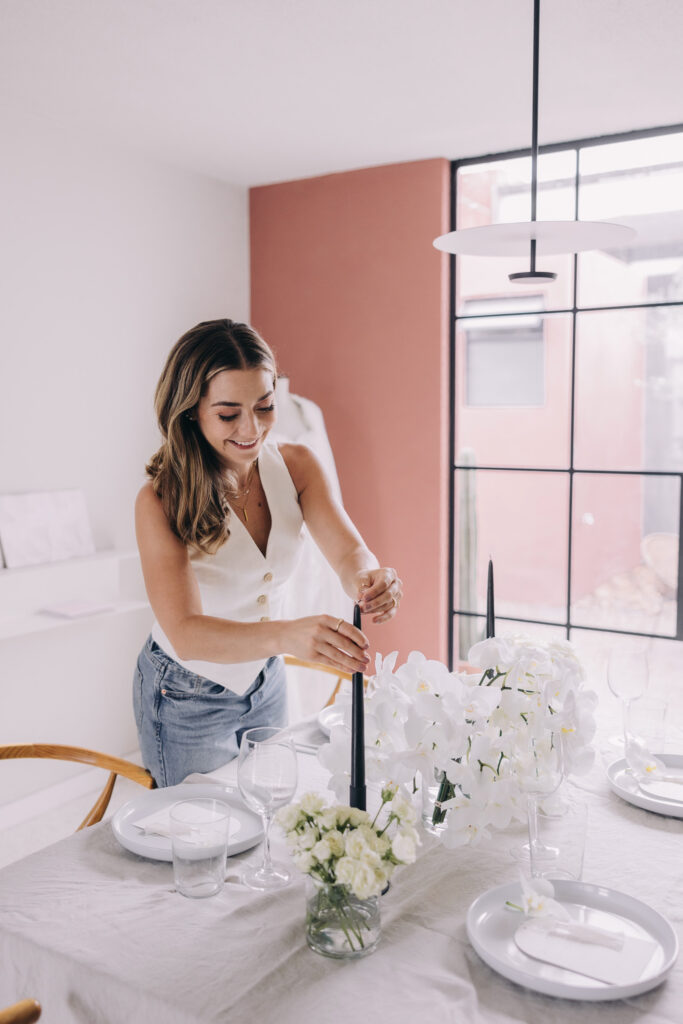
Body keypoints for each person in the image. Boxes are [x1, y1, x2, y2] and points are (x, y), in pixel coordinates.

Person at [133, 318, 402, 787]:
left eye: (264, 407)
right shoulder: (160, 500)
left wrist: (370, 579)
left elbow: (348, 553)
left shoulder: (297, 466)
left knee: (270, 812)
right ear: (191, 410)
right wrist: (289, 635)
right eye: (228, 413)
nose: (251, 429)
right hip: (184, 693)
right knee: (196, 830)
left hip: (266, 681)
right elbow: (186, 633)